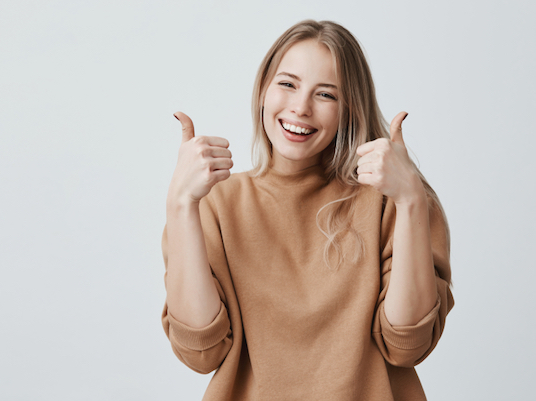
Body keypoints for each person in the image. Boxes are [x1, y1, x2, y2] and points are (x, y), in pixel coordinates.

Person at [161, 19, 453, 401]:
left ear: (350, 107)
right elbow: (200, 351)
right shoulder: (216, 203)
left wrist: (411, 201)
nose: (300, 108)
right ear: (263, 90)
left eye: (326, 95)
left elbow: (407, 345)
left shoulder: (394, 199)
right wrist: (180, 204)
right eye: (287, 84)